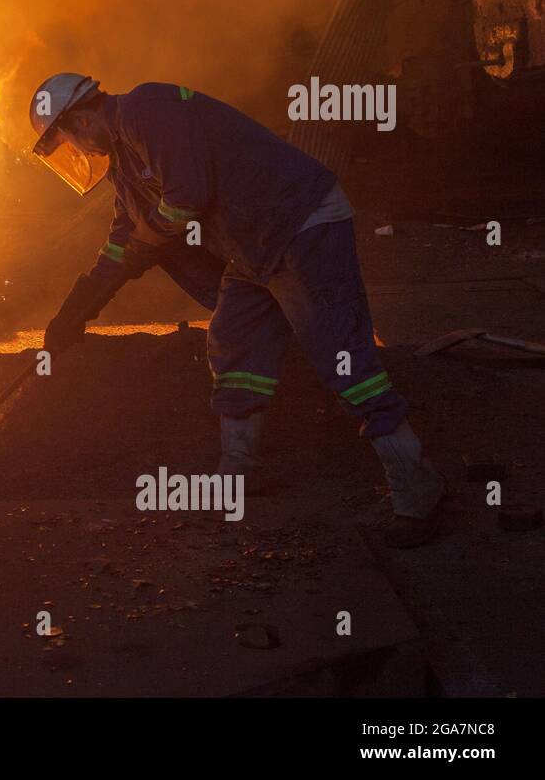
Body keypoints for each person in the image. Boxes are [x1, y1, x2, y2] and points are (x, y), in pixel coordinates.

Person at [31, 73, 444, 547]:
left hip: (300, 225)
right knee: (234, 340)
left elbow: (186, 196)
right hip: (252, 248)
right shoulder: (125, 167)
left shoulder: (148, 108)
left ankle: (417, 492)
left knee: (342, 358)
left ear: (81, 119)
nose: (80, 152)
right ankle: (238, 476)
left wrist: (148, 237)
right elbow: (126, 242)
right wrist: (80, 306)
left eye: (68, 140)